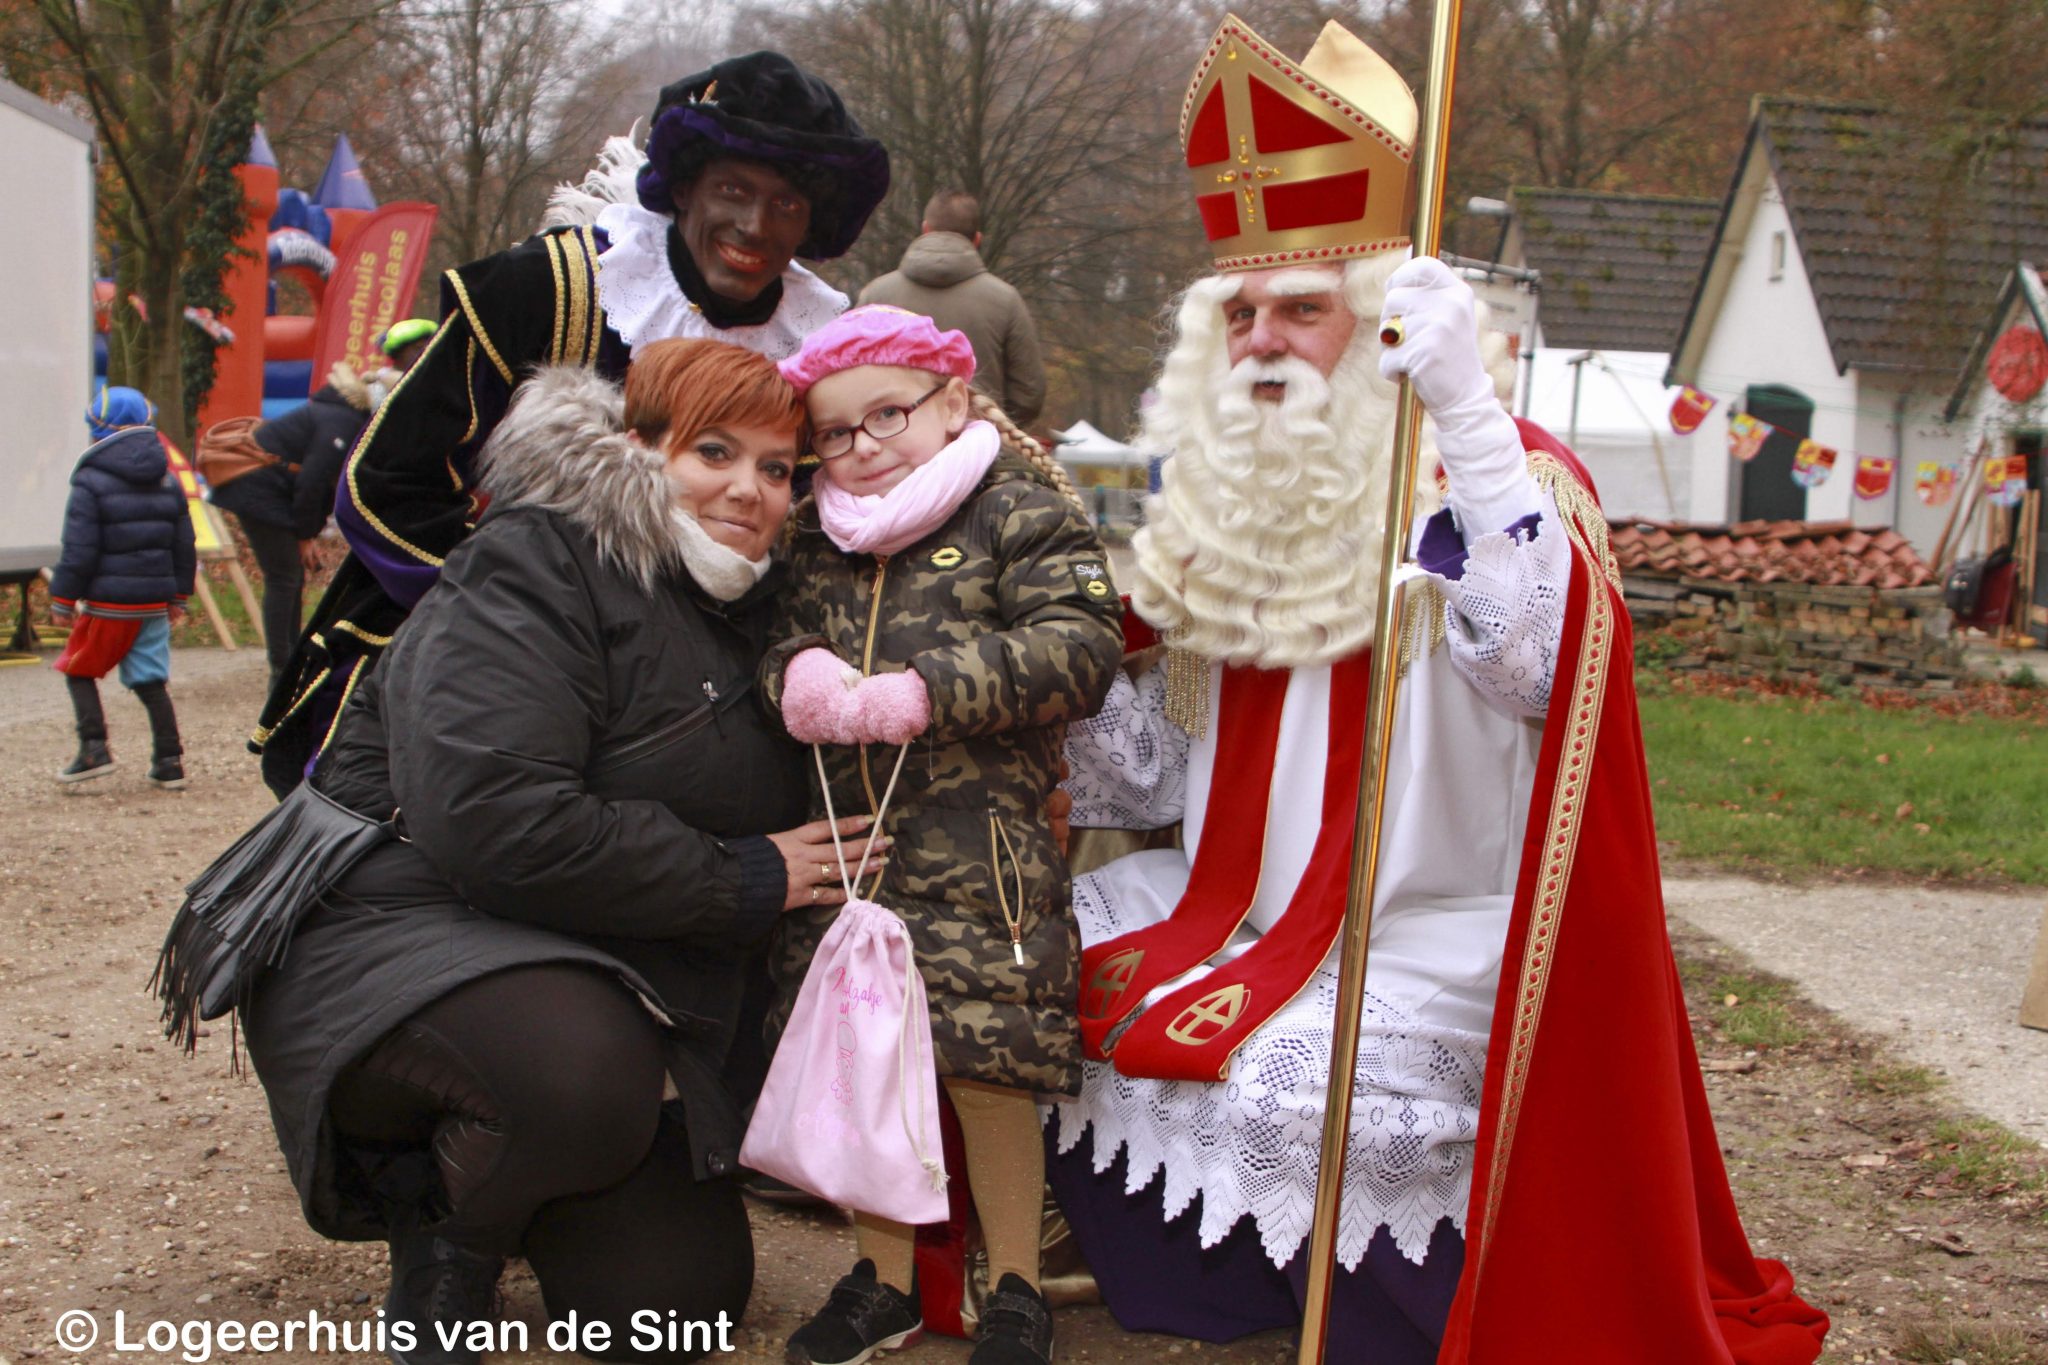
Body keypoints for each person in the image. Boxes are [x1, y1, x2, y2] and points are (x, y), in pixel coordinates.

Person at [1044, 16, 1831, 1364]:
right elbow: (1162, 775)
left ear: (1388, 313)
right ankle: (1193, 1275)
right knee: (1047, 951)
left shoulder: (1504, 480)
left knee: (1303, 1087)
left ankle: (1380, 1315)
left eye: (1304, 306)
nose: (1264, 340)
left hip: (1435, 920)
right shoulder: (1228, 505)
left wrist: (1465, 418)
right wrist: (1056, 671)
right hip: (1248, 901)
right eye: (1242, 311)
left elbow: (1538, 669)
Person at [157, 340, 886, 1364]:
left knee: (673, 1312)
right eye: (713, 451)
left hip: (604, 967)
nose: (748, 489)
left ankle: (527, 1163)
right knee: (576, 1078)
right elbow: (491, 815)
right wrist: (744, 876)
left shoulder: (759, 615)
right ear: (634, 448)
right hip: (397, 933)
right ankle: (449, 1230)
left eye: (776, 468)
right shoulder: (537, 559)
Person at [252, 50, 890, 796]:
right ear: (684, 187)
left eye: (786, 204)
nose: (754, 224)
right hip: (488, 662)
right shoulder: (552, 290)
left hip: (697, 701)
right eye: (735, 189)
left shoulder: (821, 354)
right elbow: (386, 483)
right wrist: (523, 624)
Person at [763, 306, 1122, 1365]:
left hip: (985, 856)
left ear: (952, 402)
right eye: (835, 432)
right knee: (863, 1064)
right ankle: (881, 1281)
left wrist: (927, 691)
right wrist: (795, 675)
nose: (863, 447)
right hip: (854, 858)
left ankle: (1013, 1283)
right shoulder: (808, 539)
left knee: (985, 1065)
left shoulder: (1019, 513)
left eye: (888, 416)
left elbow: (1079, 645)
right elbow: (768, 637)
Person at [213, 327, 424, 685]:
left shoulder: (346, 416)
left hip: (280, 491)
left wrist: (306, 533)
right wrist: (305, 534)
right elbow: (313, 482)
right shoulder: (339, 421)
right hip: (257, 488)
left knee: (291, 576)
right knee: (284, 577)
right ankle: (283, 668)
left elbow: (326, 486)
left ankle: (291, 657)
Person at [49, 385, 194, 789]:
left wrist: (62, 598)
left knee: (77, 669)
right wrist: (179, 594)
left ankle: (94, 750)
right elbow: (184, 542)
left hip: (108, 605)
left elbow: (80, 547)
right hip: (153, 602)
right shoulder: (167, 477)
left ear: (97, 431)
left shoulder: (91, 479)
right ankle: (169, 761)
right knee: (150, 679)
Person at [859, 191, 1047, 425]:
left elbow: (851, 379)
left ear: (926, 229)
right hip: (980, 449)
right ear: (977, 239)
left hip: (891, 445)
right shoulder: (1005, 300)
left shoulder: (876, 296)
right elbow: (1029, 394)